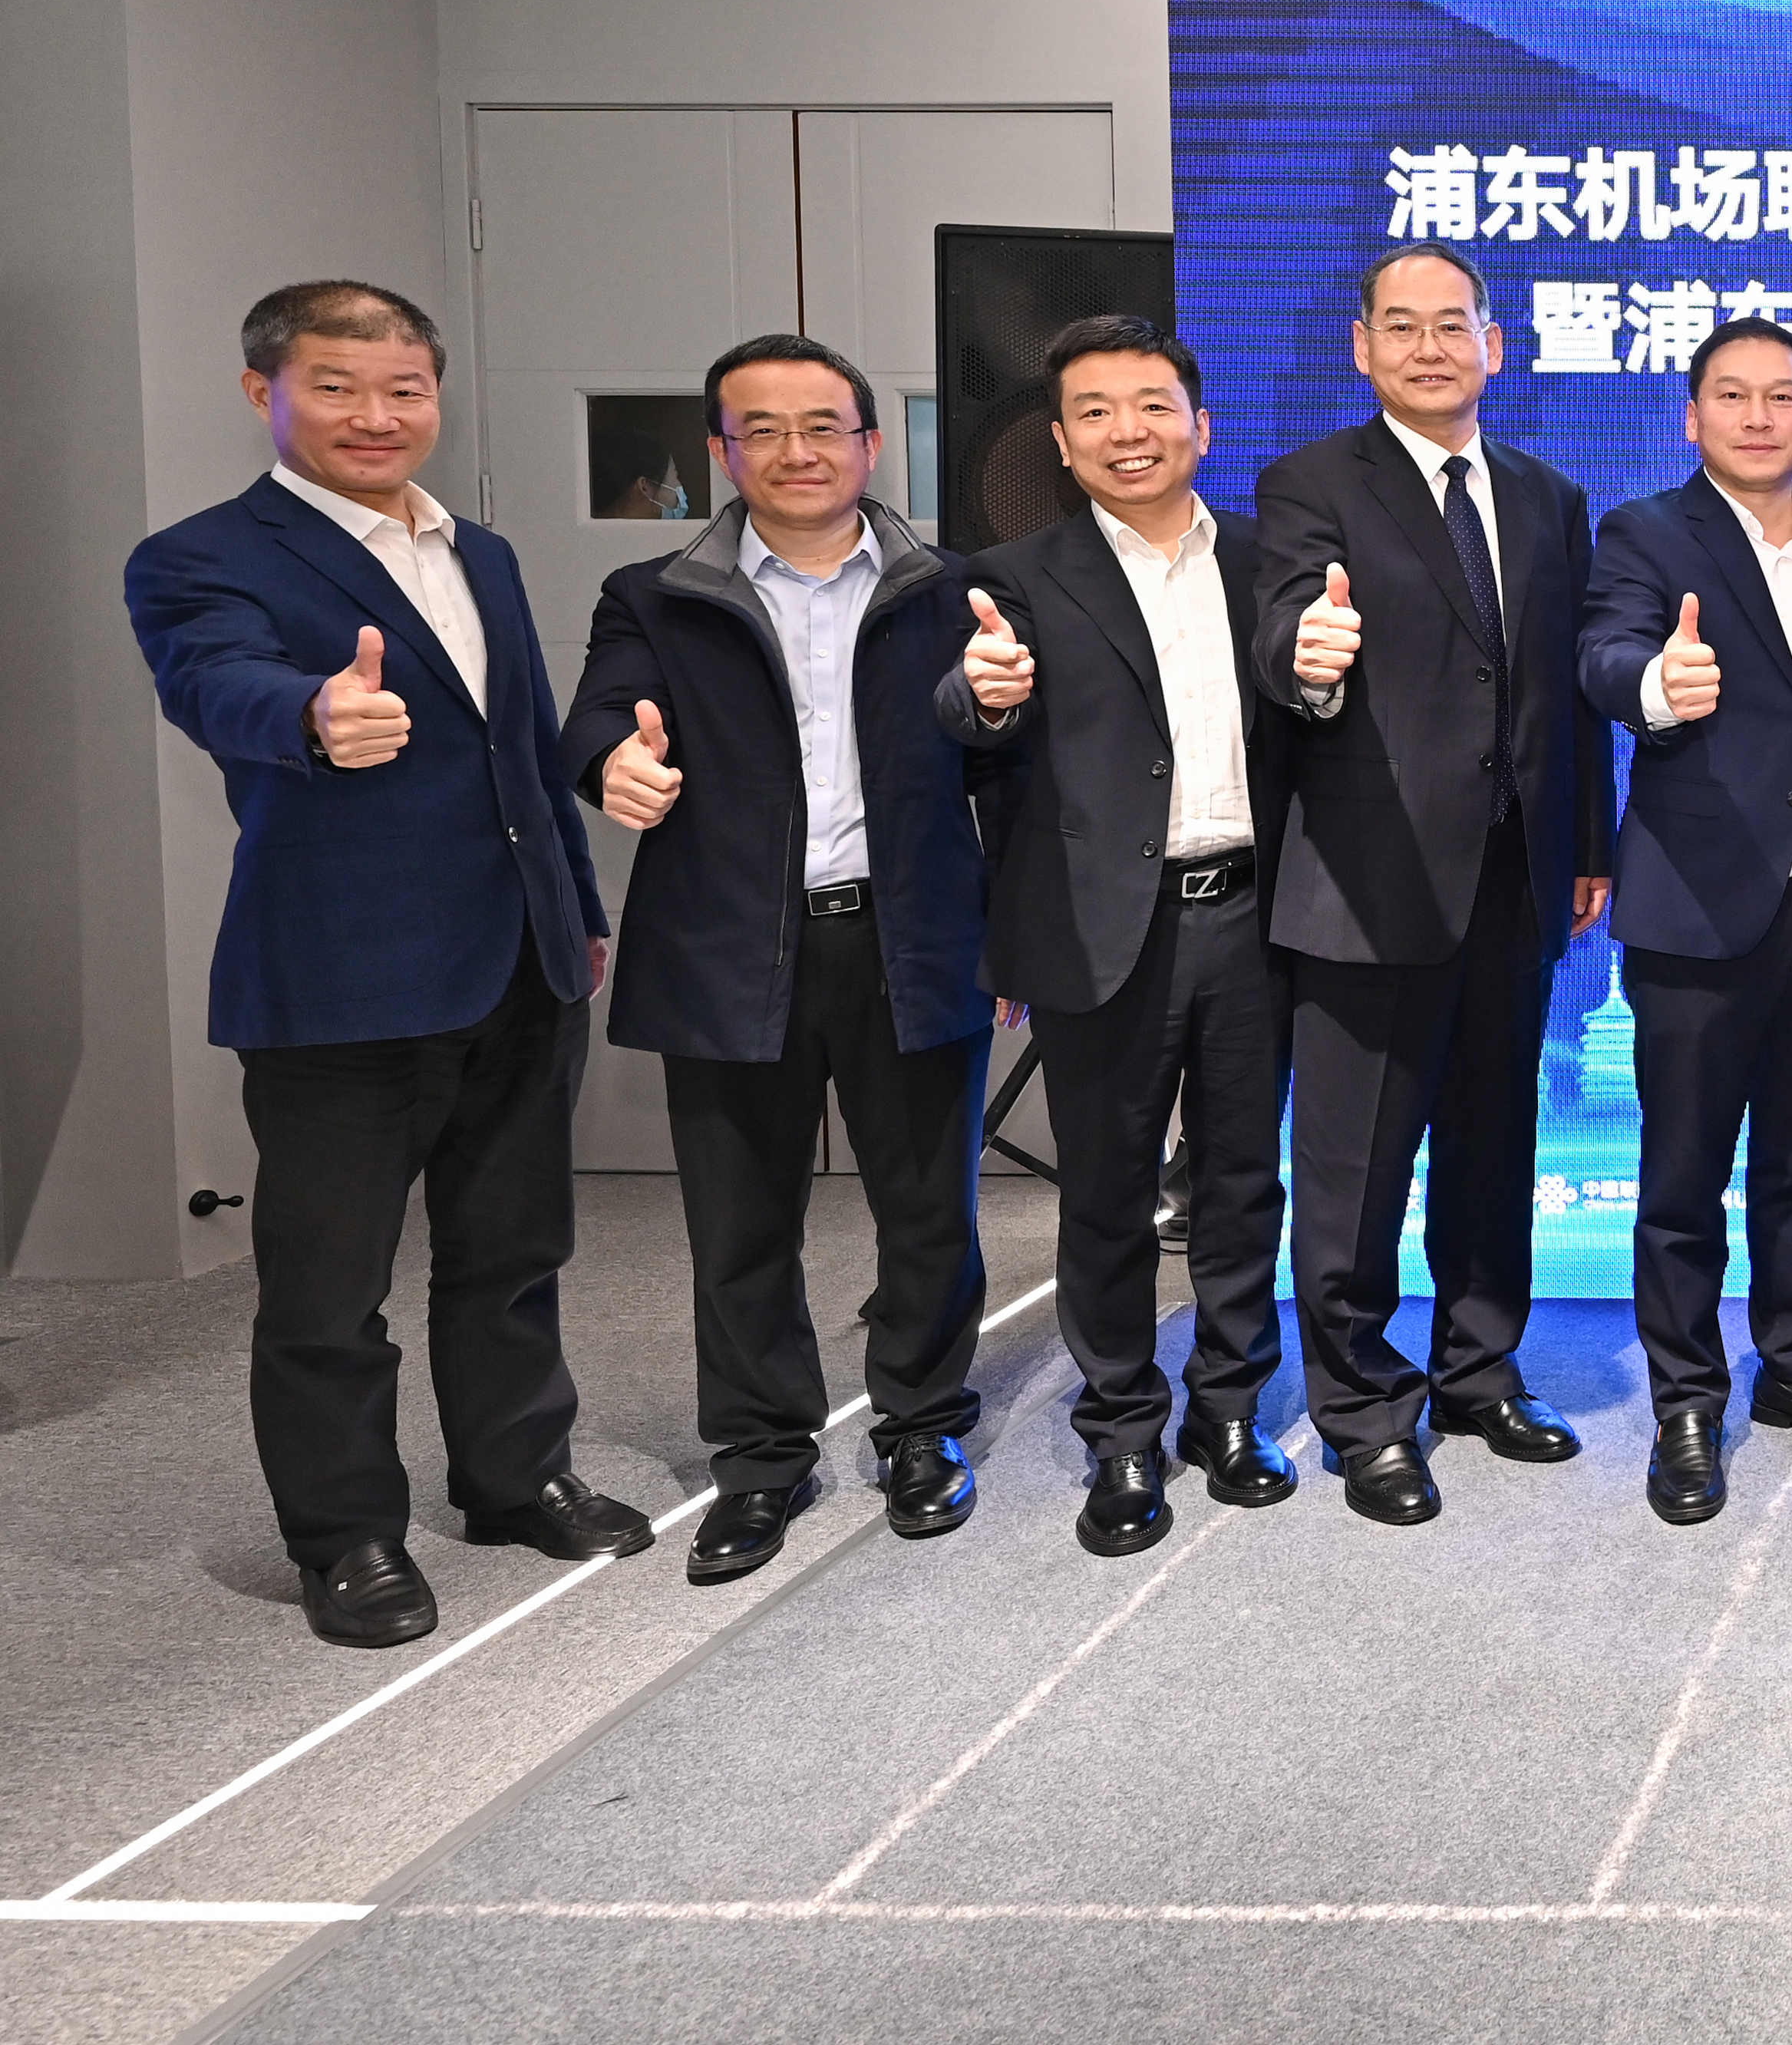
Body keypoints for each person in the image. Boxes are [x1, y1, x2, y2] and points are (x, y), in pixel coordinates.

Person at [124, 282, 646, 1647]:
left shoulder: (483, 553)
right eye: (337, 388)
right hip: (340, 983)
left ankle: (517, 1477)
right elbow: (212, 680)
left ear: (435, 394)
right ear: (265, 393)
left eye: (403, 388)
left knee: (513, 1249)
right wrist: (310, 711)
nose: (376, 415)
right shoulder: (200, 556)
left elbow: (524, 749)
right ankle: (347, 1536)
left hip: (522, 960)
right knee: (327, 1290)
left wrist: (577, 905)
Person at [570, 335, 994, 1586]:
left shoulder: (955, 590)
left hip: (913, 939)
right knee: (740, 1223)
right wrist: (613, 763)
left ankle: (922, 1428)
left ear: (871, 444)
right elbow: (599, 714)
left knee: (930, 1212)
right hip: (730, 948)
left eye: (822, 426)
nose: (796, 451)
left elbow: (1011, 756)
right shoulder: (654, 594)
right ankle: (761, 1458)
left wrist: (1003, 711)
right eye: (761, 429)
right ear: (721, 452)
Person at [1246, 246, 1615, 1529]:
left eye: (1451, 326)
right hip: (1368, 880)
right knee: (1354, 1168)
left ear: (1493, 346)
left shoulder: (1549, 496)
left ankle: (1479, 1370)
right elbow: (1286, 630)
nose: (1427, 349)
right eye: (1400, 328)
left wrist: (1588, 842)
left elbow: (1566, 691)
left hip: (1516, 879)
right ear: (1362, 348)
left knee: (1494, 1144)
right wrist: (1307, 656)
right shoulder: (1310, 484)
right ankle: (1361, 1410)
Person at [933, 315, 1295, 1559]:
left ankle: (1230, 1410)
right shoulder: (1011, 578)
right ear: (1060, 441)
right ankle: (1124, 1428)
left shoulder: (1269, 564)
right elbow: (965, 711)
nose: (1126, 432)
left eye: (1152, 406)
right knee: (1107, 1194)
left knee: (1243, 1184)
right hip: (1102, 932)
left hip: (1255, 919)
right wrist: (982, 697)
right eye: (1095, 412)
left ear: (1202, 424)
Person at [1579, 319, 1792, 1526]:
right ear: (1693, 417)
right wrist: (1652, 687)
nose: (1760, 416)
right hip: (1695, 903)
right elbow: (1603, 654)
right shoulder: (1644, 533)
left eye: (1784, 396)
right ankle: (1687, 1400)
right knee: (1682, 1173)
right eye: (1733, 396)